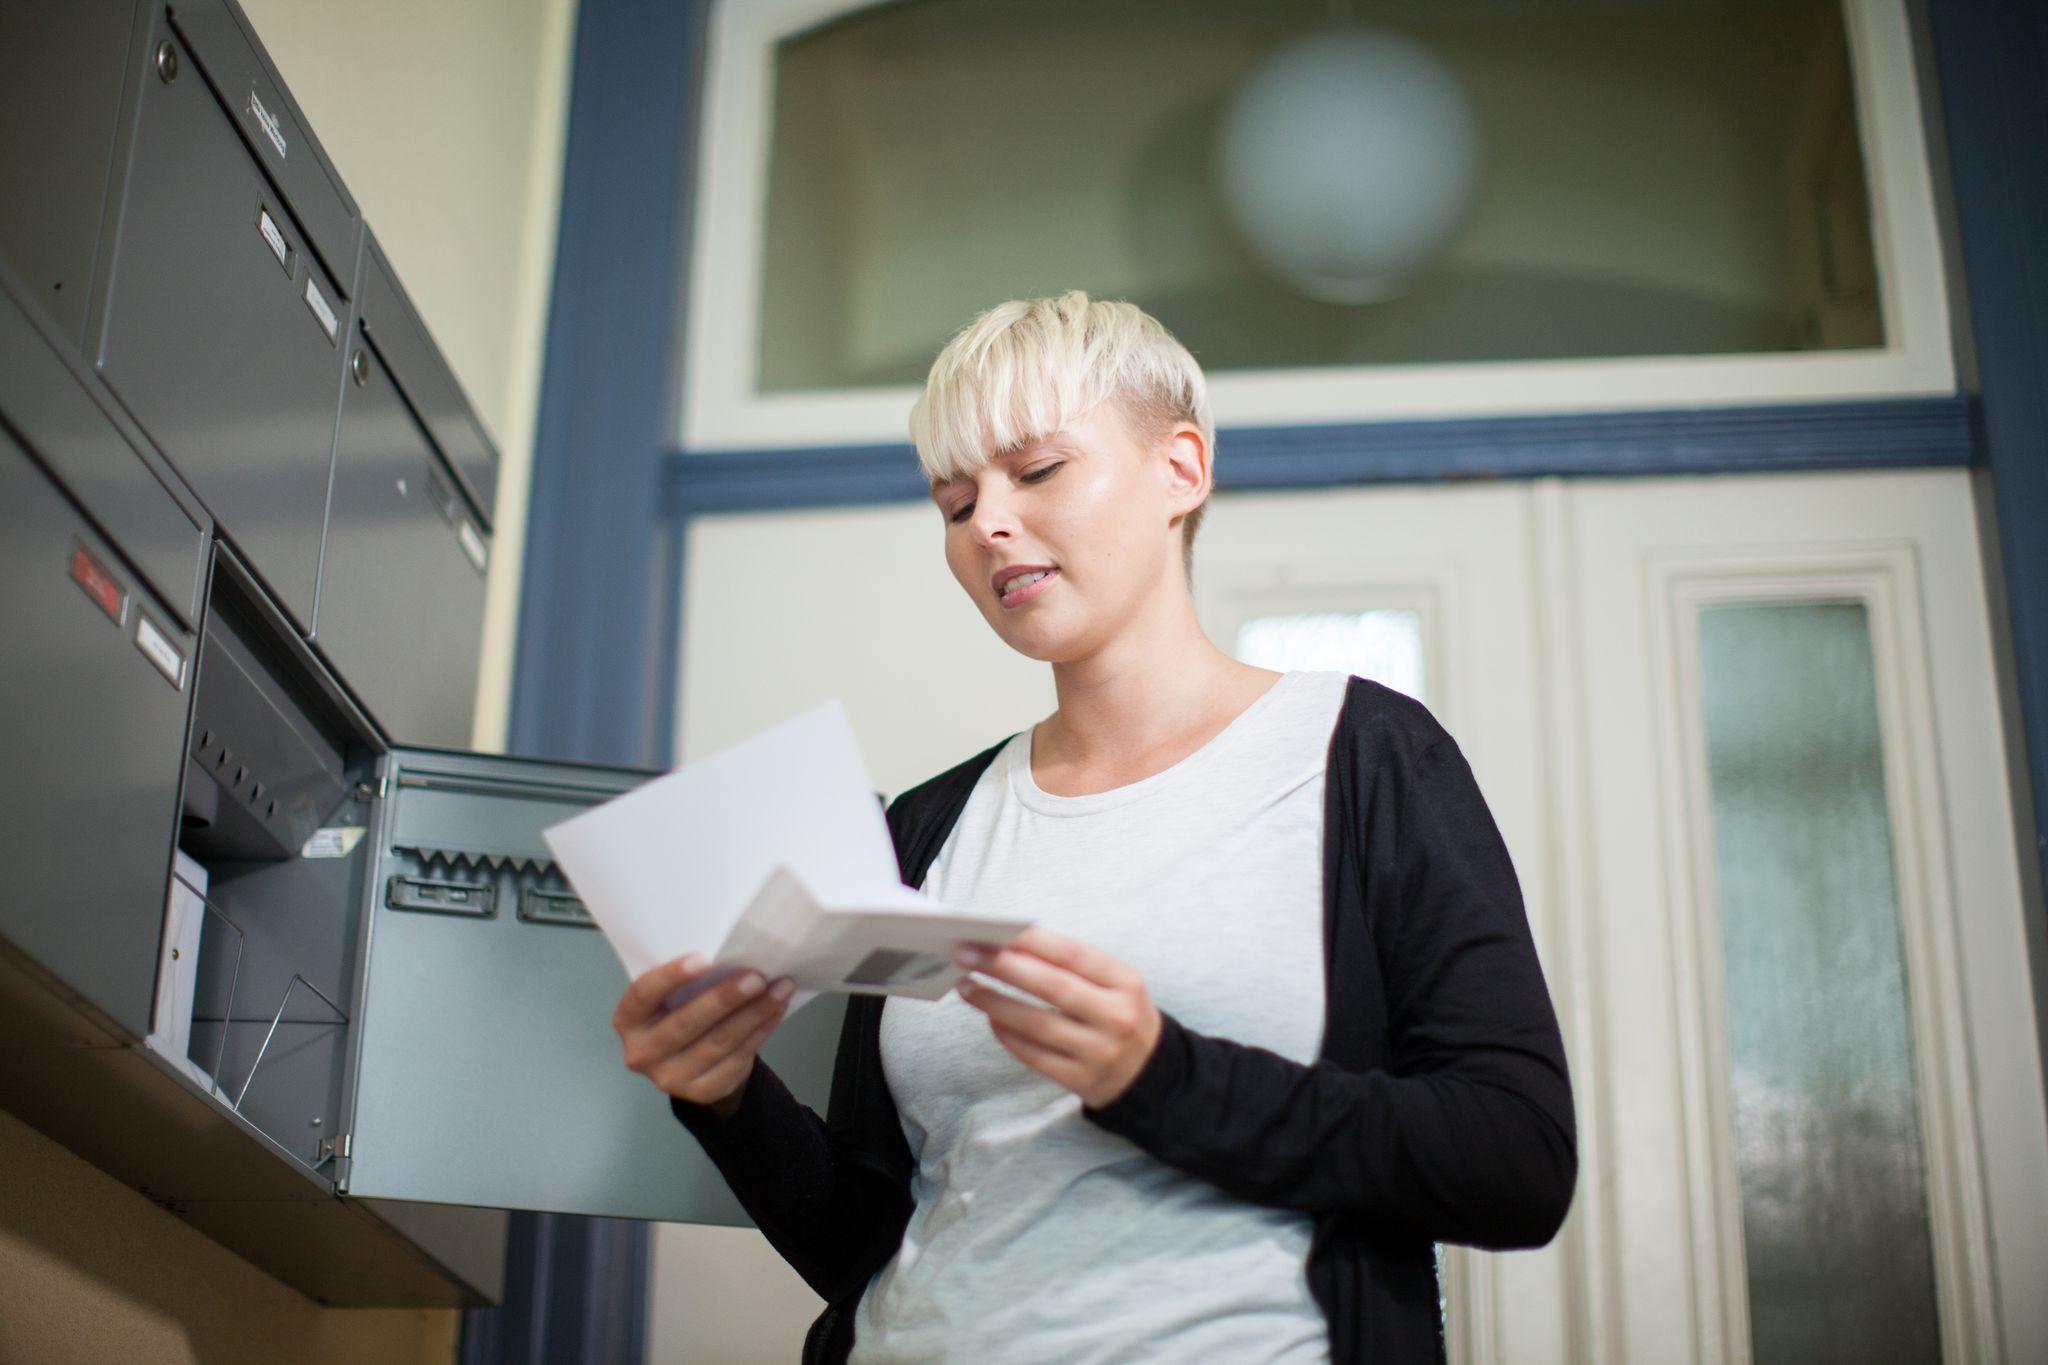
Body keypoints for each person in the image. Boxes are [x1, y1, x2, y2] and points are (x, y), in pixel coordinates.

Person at [612, 291, 1575, 1364]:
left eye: (1036, 472)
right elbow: (875, 1245)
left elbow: (1516, 1161)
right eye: (951, 501)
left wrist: (1156, 1076)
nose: (986, 523)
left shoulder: (1362, 757)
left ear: (1180, 471)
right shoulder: (927, 828)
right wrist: (725, 1101)